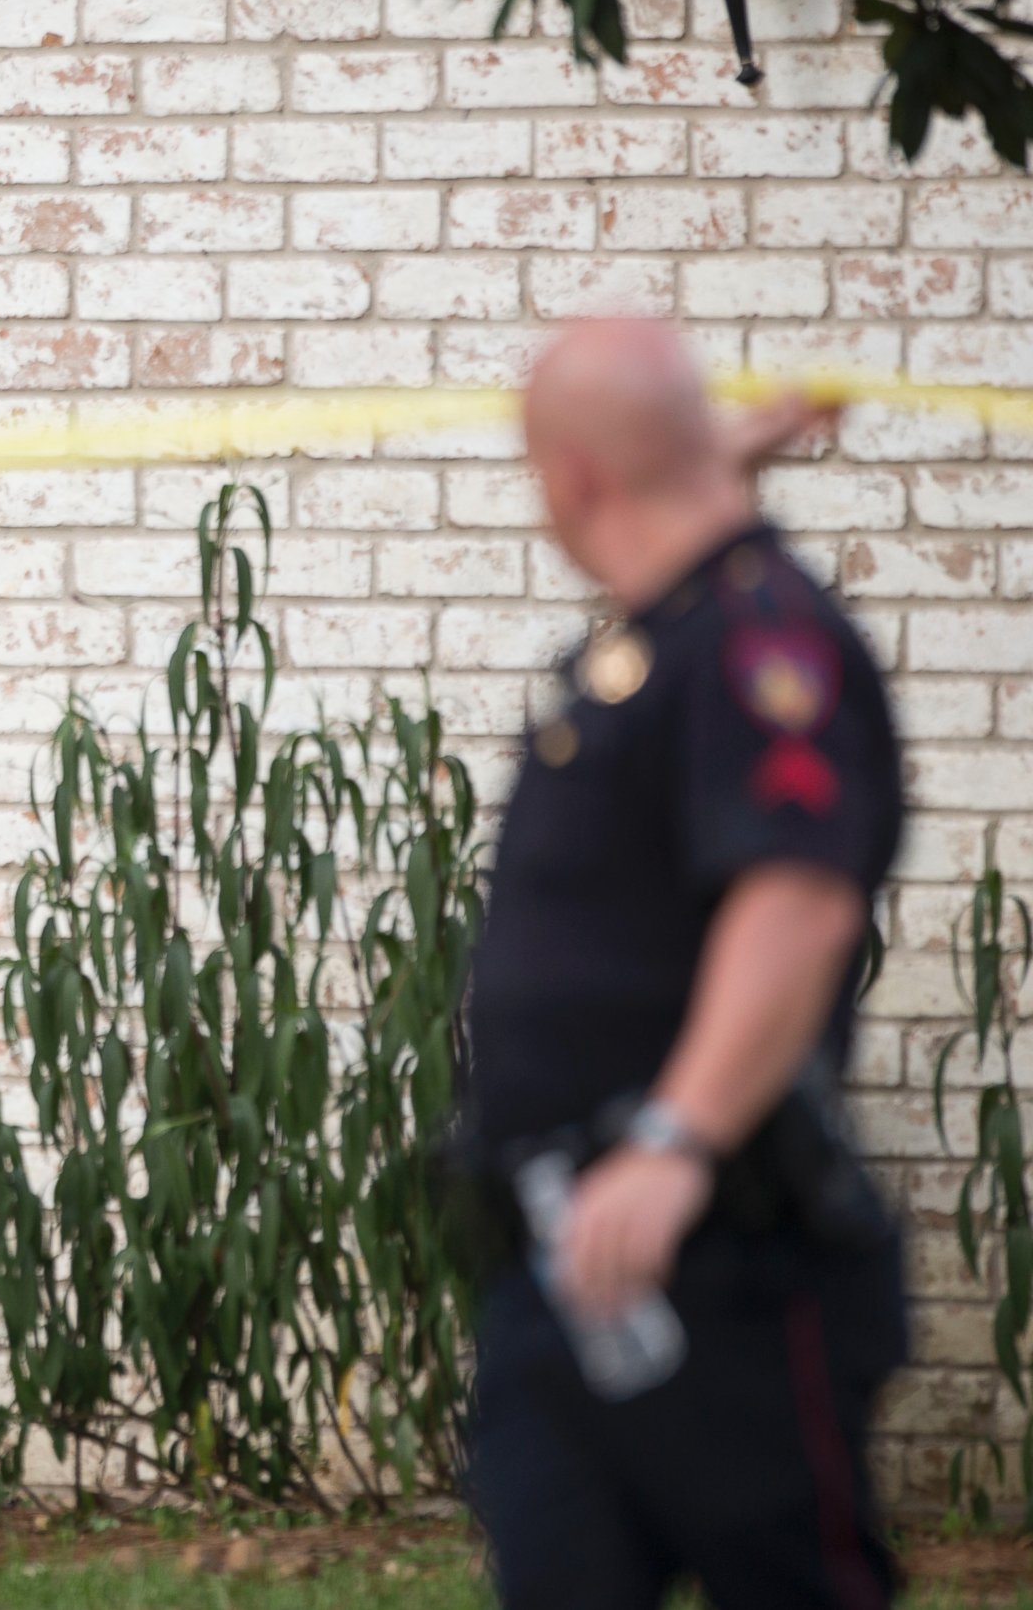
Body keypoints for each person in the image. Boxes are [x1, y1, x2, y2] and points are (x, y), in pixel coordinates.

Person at [462, 319, 908, 1608]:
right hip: (572, 1259)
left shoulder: (762, 643)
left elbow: (796, 904)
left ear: (574, 481)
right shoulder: (672, 635)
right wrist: (723, 449)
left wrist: (673, 1139)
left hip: (722, 1267)